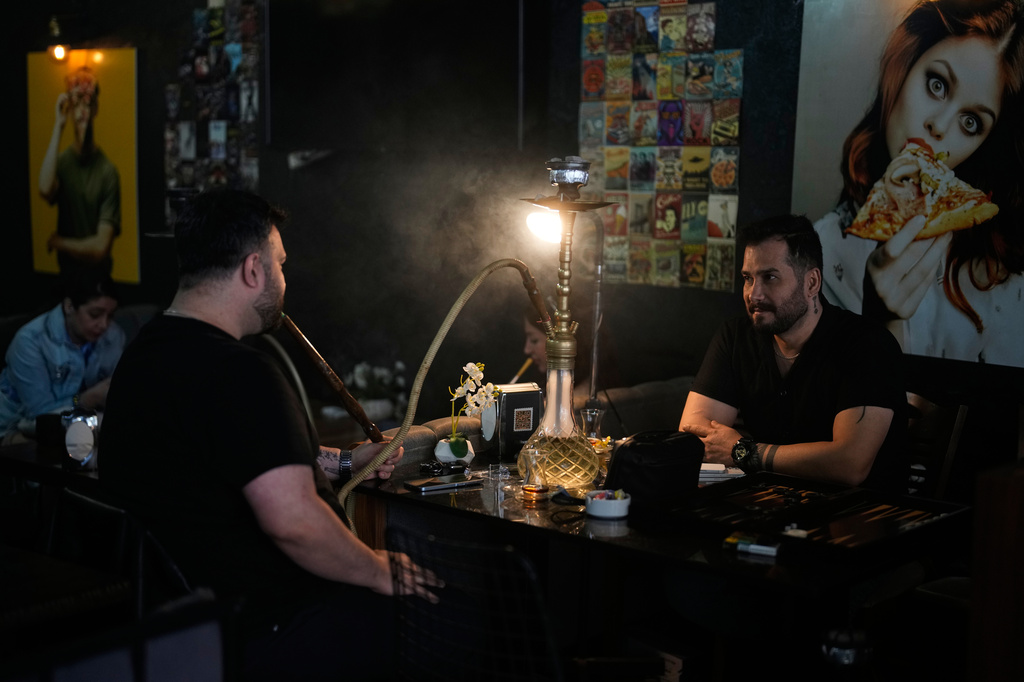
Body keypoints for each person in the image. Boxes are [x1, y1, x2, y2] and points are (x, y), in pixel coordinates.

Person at [99, 189, 436, 680]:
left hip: (179, 627)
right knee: (446, 614)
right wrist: (378, 569)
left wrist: (346, 462)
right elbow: (292, 522)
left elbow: (240, 458)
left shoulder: (142, 356)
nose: (283, 279)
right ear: (253, 270)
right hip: (268, 628)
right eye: (280, 264)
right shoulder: (240, 373)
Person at [814, 0, 1024, 366]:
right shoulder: (822, 249)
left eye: (971, 122)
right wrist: (881, 324)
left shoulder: (1004, 277)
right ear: (905, 66)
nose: (939, 126)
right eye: (937, 84)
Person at [679, 215, 907, 492]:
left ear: (811, 283)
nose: (753, 294)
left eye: (770, 277)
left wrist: (743, 451)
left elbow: (849, 465)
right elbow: (693, 437)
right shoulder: (736, 336)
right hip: (769, 502)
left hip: (861, 510)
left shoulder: (867, 343)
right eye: (748, 278)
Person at [0, 274, 123, 445]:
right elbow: (40, 416)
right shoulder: (30, 341)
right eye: (95, 314)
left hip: (80, 423)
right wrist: (87, 399)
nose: (104, 325)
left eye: (110, 316)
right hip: (17, 428)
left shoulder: (112, 335)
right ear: (69, 306)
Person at [38, 65, 121, 284]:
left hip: (98, 282)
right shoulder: (62, 163)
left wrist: (59, 242)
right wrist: (59, 125)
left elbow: (100, 247)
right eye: (76, 104)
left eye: (87, 103)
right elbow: (45, 189)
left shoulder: (107, 172)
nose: (82, 111)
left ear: (95, 109)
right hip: (66, 280)